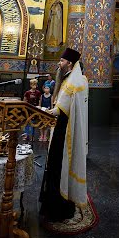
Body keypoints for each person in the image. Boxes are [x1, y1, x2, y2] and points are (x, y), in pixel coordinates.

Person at [39, 48, 88, 222]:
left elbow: (64, 109)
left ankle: (61, 206)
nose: (59, 63)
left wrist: (50, 111)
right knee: (53, 164)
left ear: (69, 63)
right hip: (58, 129)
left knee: (60, 165)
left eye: (61, 61)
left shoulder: (78, 82)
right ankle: (50, 203)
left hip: (66, 131)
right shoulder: (66, 80)